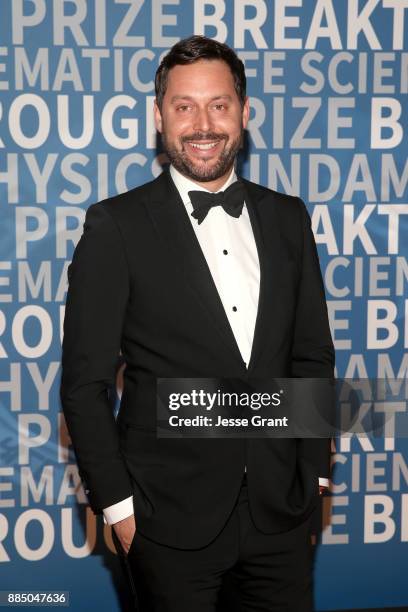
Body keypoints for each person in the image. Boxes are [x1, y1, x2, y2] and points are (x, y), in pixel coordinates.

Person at [60, 35, 334, 611]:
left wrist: (313, 476)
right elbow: (84, 386)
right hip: (165, 522)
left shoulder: (288, 218)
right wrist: (118, 507)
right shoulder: (116, 227)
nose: (202, 124)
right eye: (184, 106)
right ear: (159, 116)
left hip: (279, 514)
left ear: (245, 113)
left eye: (219, 104)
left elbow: (310, 355)